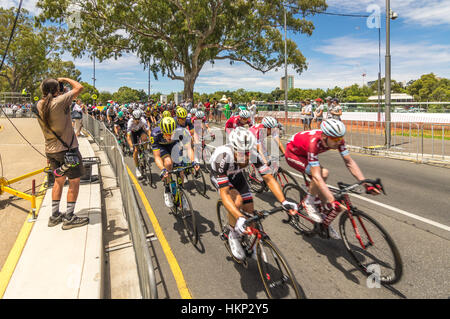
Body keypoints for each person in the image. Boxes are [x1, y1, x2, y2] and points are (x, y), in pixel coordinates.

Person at [209, 127, 298, 260]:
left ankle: (252, 243)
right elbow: (225, 194)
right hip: (221, 177)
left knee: (250, 211)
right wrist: (239, 217)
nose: (245, 157)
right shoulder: (223, 157)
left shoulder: (252, 153)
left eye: (247, 153)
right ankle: (233, 233)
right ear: (233, 149)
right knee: (237, 201)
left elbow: (268, 178)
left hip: (237, 175)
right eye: (241, 153)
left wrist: (283, 201)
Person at [284, 119, 381, 238]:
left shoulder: (337, 140)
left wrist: (366, 183)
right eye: (335, 139)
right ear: (324, 136)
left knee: (323, 192)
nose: (338, 142)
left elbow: (349, 162)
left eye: (340, 138)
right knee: (323, 173)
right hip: (294, 154)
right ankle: (308, 201)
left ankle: (323, 220)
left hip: (305, 153)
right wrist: (331, 199)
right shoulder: (313, 142)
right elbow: (317, 175)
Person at [35, 77, 89, 230]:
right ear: (57, 90)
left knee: (58, 181)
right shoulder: (60, 102)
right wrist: (64, 79)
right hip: (68, 151)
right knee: (74, 182)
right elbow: (79, 87)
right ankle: (70, 217)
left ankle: (55, 215)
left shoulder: (39, 105)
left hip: (51, 151)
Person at [151, 116, 200, 207]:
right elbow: (157, 157)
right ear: (162, 131)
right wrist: (162, 169)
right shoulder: (155, 134)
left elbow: (189, 148)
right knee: (168, 163)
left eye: (172, 134)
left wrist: (194, 161)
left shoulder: (181, 131)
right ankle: (167, 189)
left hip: (174, 146)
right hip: (162, 148)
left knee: (181, 171)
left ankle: (181, 194)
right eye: (167, 134)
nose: (170, 136)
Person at [126, 109, 152, 178]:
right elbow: (128, 137)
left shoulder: (143, 120)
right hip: (133, 133)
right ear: (133, 118)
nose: (137, 121)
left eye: (138, 119)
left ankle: (145, 150)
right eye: (135, 119)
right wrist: (131, 146)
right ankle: (137, 168)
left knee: (145, 138)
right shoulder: (130, 123)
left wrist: (151, 137)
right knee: (136, 151)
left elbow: (148, 130)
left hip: (140, 130)